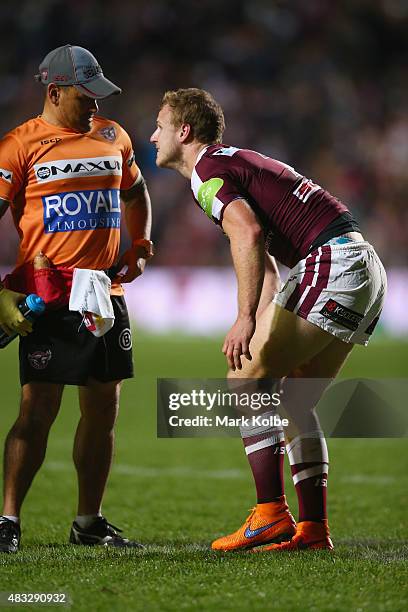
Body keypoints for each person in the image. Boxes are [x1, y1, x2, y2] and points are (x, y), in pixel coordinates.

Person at [150, 88, 386, 551]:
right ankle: (313, 531)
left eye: (159, 125)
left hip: (333, 261)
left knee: (245, 381)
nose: (152, 134)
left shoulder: (206, 170)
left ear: (184, 132)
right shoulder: (231, 162)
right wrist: (258, 321)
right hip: (363, 266)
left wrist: (242, 319)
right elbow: (269, 261)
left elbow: (249, 233)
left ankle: (270, 513)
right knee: (295, 398)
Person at [0, 45, 153, 553]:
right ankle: (8, 521)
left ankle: (88, 521)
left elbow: (135, 193)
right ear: (54, 91)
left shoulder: (114, 136)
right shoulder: (18, 146)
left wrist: (142, 243)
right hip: (49, 296)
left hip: (105, 292)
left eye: (97, 95)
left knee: (103, 411)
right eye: (84, 96)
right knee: (37, 410)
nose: (94, 105)